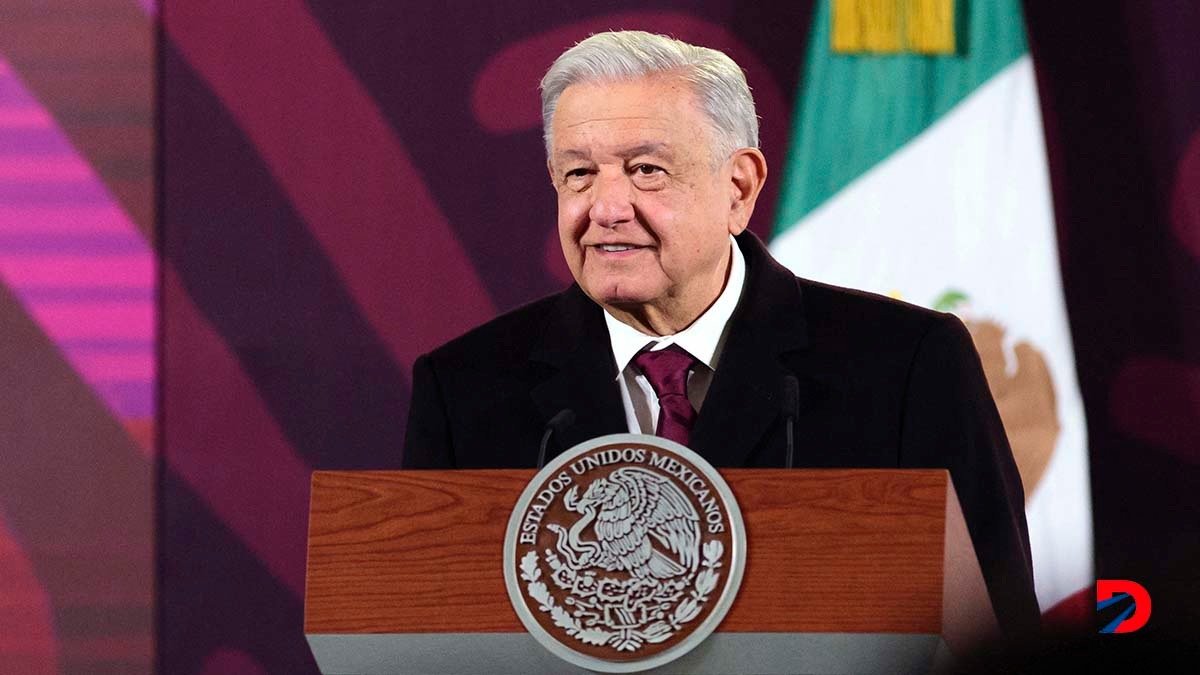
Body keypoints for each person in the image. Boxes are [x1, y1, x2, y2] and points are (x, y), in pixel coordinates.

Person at [402, 30, 1039, 639]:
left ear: (739, 187)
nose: (605, 207)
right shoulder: (466, 389)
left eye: (646, 170)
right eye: (579, 175)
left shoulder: (905, 364)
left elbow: (996, 627)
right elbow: (420, 636)